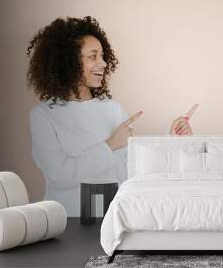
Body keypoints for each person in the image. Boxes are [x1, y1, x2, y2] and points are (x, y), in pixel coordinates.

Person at [27, 16, 195, 216]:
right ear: (68, 61)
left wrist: (172, 139)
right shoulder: (43, 116)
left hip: (113, 218)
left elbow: (131, 167)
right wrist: (111, 144)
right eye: (93, 56)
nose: (104, 63)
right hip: (68, 221)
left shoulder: (112, 109)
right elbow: (59, 176)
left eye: (103, 56)